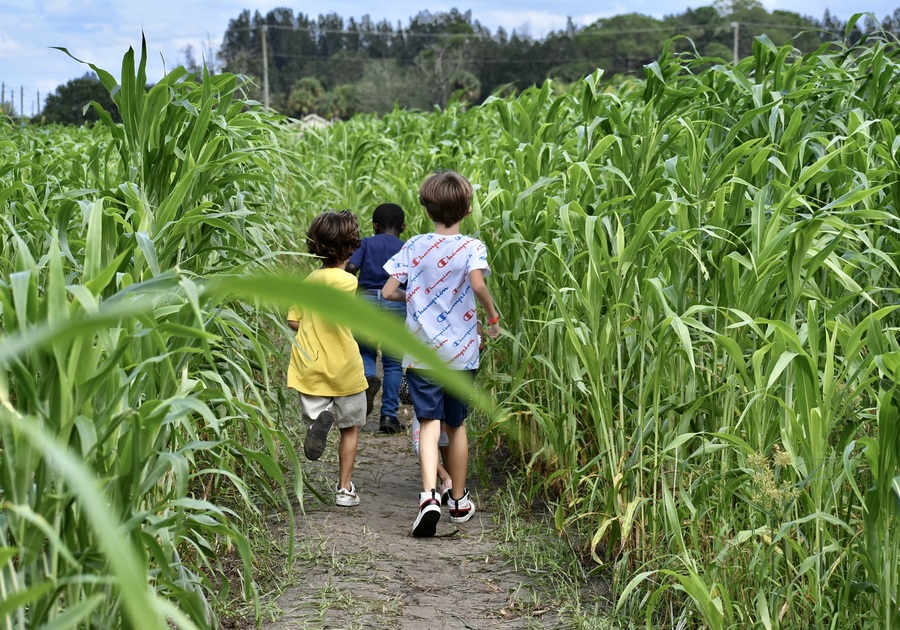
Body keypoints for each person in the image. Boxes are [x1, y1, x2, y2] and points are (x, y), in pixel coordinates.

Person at [382, 170, 501, 537]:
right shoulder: (472, 247)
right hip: (462, 353)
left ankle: (428, 496)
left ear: (426, 207)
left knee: (429, 423)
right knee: (457, 424)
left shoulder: (415, 245)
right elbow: (478, 284)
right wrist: (493, 316)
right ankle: (460, 500)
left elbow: (387, 292)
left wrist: (413, 298)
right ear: (467, 209)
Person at [287, 210, 367, 507]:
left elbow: (293, 321)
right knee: (350, 428)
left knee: (315, 413)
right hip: (344, 364)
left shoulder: (309, 280)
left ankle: (315, 427)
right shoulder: (348, 282)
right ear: (351, 246)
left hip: (312, 362)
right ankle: (344, 489)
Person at [346, 203, 406, 434]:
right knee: (393, 363)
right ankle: (389, 416)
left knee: (364, 351)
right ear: (403, 227)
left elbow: (351, 266)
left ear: (374, 225)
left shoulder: (367, 243)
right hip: (396, 302)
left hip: (366, 302)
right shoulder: (405, 247)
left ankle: (369, 376)